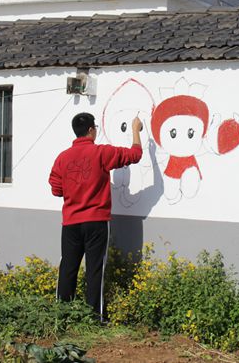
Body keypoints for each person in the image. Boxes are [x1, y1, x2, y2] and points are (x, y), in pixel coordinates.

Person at [49, 112, 143, 321]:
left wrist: (75, 190)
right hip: (96, 221)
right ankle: (94, 317)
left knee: (68, 268)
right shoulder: (101, 153)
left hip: (71, 222)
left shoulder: (63, 158)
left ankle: (62, 314)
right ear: (91, 130)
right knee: (94, 270)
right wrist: (135, 130)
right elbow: (135, 155)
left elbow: (56, 190)